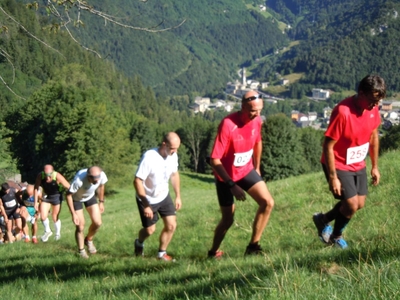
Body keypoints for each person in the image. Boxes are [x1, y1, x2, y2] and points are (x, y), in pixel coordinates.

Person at [313, 75, 386, 249]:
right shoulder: (343, 111)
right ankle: (335, 237)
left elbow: (374, 136)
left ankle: (322, 219)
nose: (375, 105)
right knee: (351, 204)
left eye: (378, 101)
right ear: (361, 93)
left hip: (357, 162)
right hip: (337, 163)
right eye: (372, 100)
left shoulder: (372, 109)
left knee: (359, 203)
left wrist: (375, 166)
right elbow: (328, 146)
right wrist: (333, 177)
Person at [207, 90, 275, 258]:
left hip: (246, 170)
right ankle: (213, 252)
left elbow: (258, 142)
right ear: (243, 106)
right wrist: (232, 185)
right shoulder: (228, 124)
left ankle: (253, 246)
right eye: (253, 111)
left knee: (267, 202)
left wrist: (257, 166)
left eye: (260, 110)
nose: (257, 115)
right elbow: (214, 160)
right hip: (226, 177)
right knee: (228, 220)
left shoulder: (257, 120)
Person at [133, 132, 182, 261]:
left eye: (177, 148)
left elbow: (174, 175)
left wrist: (178, 196)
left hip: (163, 195)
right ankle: (139, 242)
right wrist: (146, 205)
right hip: (147, 198)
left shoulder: (173, 155)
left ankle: (161, 254)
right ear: (164, 144)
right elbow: (137, 181)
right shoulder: (149, 158)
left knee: (171, 225)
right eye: (172, 148)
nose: (175, 151)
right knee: (150, 230)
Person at [66, 166, 108, 258]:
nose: (97, 181)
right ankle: (81, 251)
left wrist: (101, 202)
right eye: (94, 180)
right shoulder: (79, 181)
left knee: (98, 222)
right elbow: (68, 195)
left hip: (90, 197)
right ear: (88, 177)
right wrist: (73, 213)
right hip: (76, 199)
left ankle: (89, 240)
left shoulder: (101, 176)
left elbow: (101, 186)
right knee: (80, 226)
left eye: (98, 178)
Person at [34, 164, 70, 242]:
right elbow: (36, 188)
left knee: (54, 216)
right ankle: (48, 231)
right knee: (43, 216)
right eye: (46, 175)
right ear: (43, 172)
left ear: (52, 172)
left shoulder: (57, 176)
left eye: (49, 175)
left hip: (57, 196)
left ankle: (57, 234)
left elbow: (68, 186)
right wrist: (35, 202)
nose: (48, 177)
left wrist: (72, 197)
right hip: (47, 196)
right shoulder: (40, 176)